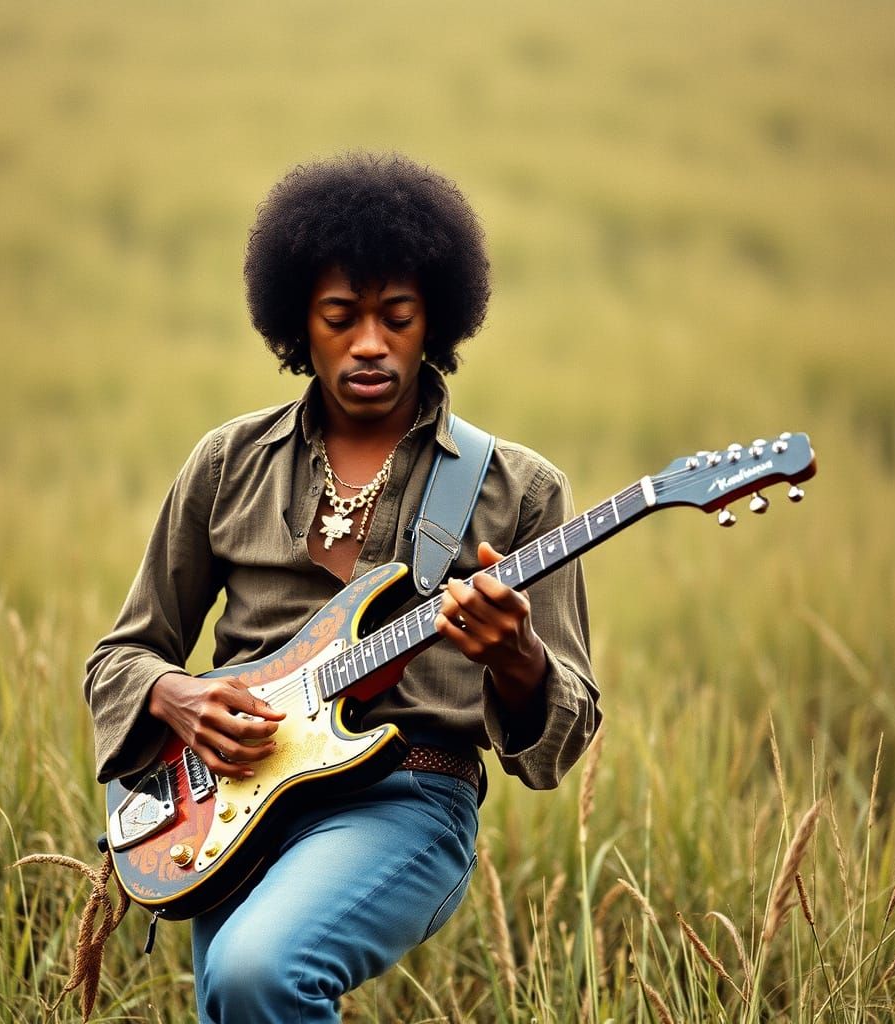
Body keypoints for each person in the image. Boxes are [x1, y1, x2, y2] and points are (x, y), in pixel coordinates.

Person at [84, 152, 600, 1023]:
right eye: (340, 317)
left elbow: (567, 726)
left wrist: (517, 658)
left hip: (406, 797)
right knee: (231, 1001)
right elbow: (121, 655)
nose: (370, 343)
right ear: (299, 324)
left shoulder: (519, 490)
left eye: (396, 317)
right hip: (232, 804)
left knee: (256, 974)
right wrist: (177, 698)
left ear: (434, 320)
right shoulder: (227, 463)